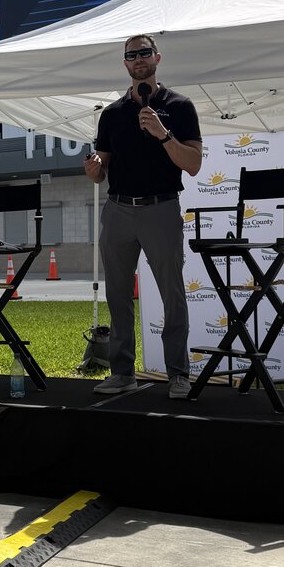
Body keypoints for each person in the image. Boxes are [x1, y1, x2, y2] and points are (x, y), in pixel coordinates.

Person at [84, 33, 202, 400]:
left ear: (157, 58)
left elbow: (194, 164)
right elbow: (102, 167)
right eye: (132, 54)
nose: (139, 59)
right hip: (118, 210)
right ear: (125, 63)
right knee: (118, 296)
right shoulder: (112, 114)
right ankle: (122, 373)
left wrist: (163, 135)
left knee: (172, 294)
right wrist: (95, 168)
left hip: (160, 209)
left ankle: (178, 374)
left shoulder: (180, 106)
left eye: (144, 52)